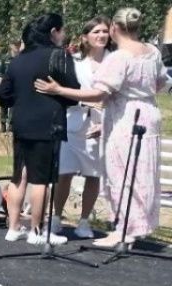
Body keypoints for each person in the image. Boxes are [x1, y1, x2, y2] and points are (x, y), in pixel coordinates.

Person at [36, 7, 169, 247]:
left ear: (115, 28)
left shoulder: (119, 57)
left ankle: (123, 229)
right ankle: (137, 225)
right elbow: (161, 83)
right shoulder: (153, 52)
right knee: (142, 172)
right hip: (149, 113)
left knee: (120, 172)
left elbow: (99, 92)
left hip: (125, 117)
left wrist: (59, 90)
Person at [0, 13, 80, 245]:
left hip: (22, 122)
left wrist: (23, 98)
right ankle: (36, 231)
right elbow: (73, 92)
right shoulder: (59, 55)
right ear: (54, 32)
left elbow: (3, 95)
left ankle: (13, 227)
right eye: (62, 31)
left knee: (19, 175)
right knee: (41, 179)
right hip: (48, 123)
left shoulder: (18, 59)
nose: (64, 35)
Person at [52, 17, 111, 240]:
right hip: (73, 122)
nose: (101, 35)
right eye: (96, 31)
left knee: (93, 175)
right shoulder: (74, 61)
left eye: (105, 31)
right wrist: (84, 102)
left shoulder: (114, 61)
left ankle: (84, 221)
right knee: (64, 173)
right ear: (85, 37)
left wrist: (104, 121)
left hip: (101, 125)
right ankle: (56, 217)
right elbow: (63, 91)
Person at [0, 41, 21, 133]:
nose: (16, 47)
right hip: (6, 85)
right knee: (4, 106)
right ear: (11, 46)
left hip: (17, 85)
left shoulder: (22, 58)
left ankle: (11, 126)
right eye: (15, 45)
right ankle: (2, 126)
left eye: (18, 45)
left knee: (14, 107)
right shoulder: (5, 58)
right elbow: (0, 72)